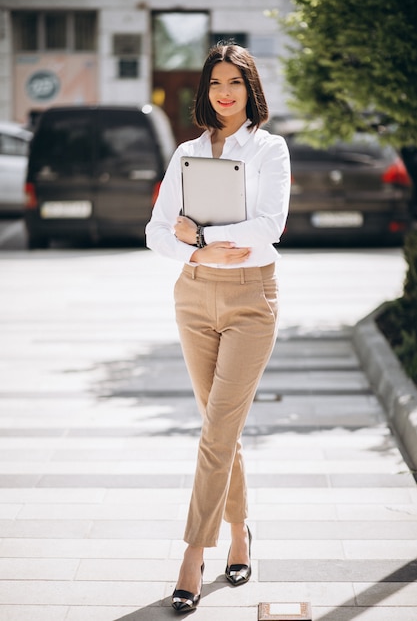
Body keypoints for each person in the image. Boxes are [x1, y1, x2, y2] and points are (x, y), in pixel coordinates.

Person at [146, 43, 291, 613]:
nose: (224, 92)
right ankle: (239, 533)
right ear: (204, 91)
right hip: (194, 297)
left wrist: (198, 236)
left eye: (235, 82)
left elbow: (269, 227)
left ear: (250, 88)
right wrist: (199, 246)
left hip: (252, 298)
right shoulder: (185, 152)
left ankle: (191, 555)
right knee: (219, 429)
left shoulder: (270, 149)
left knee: (216, 432)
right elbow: (158, 232)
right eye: (214, 83)